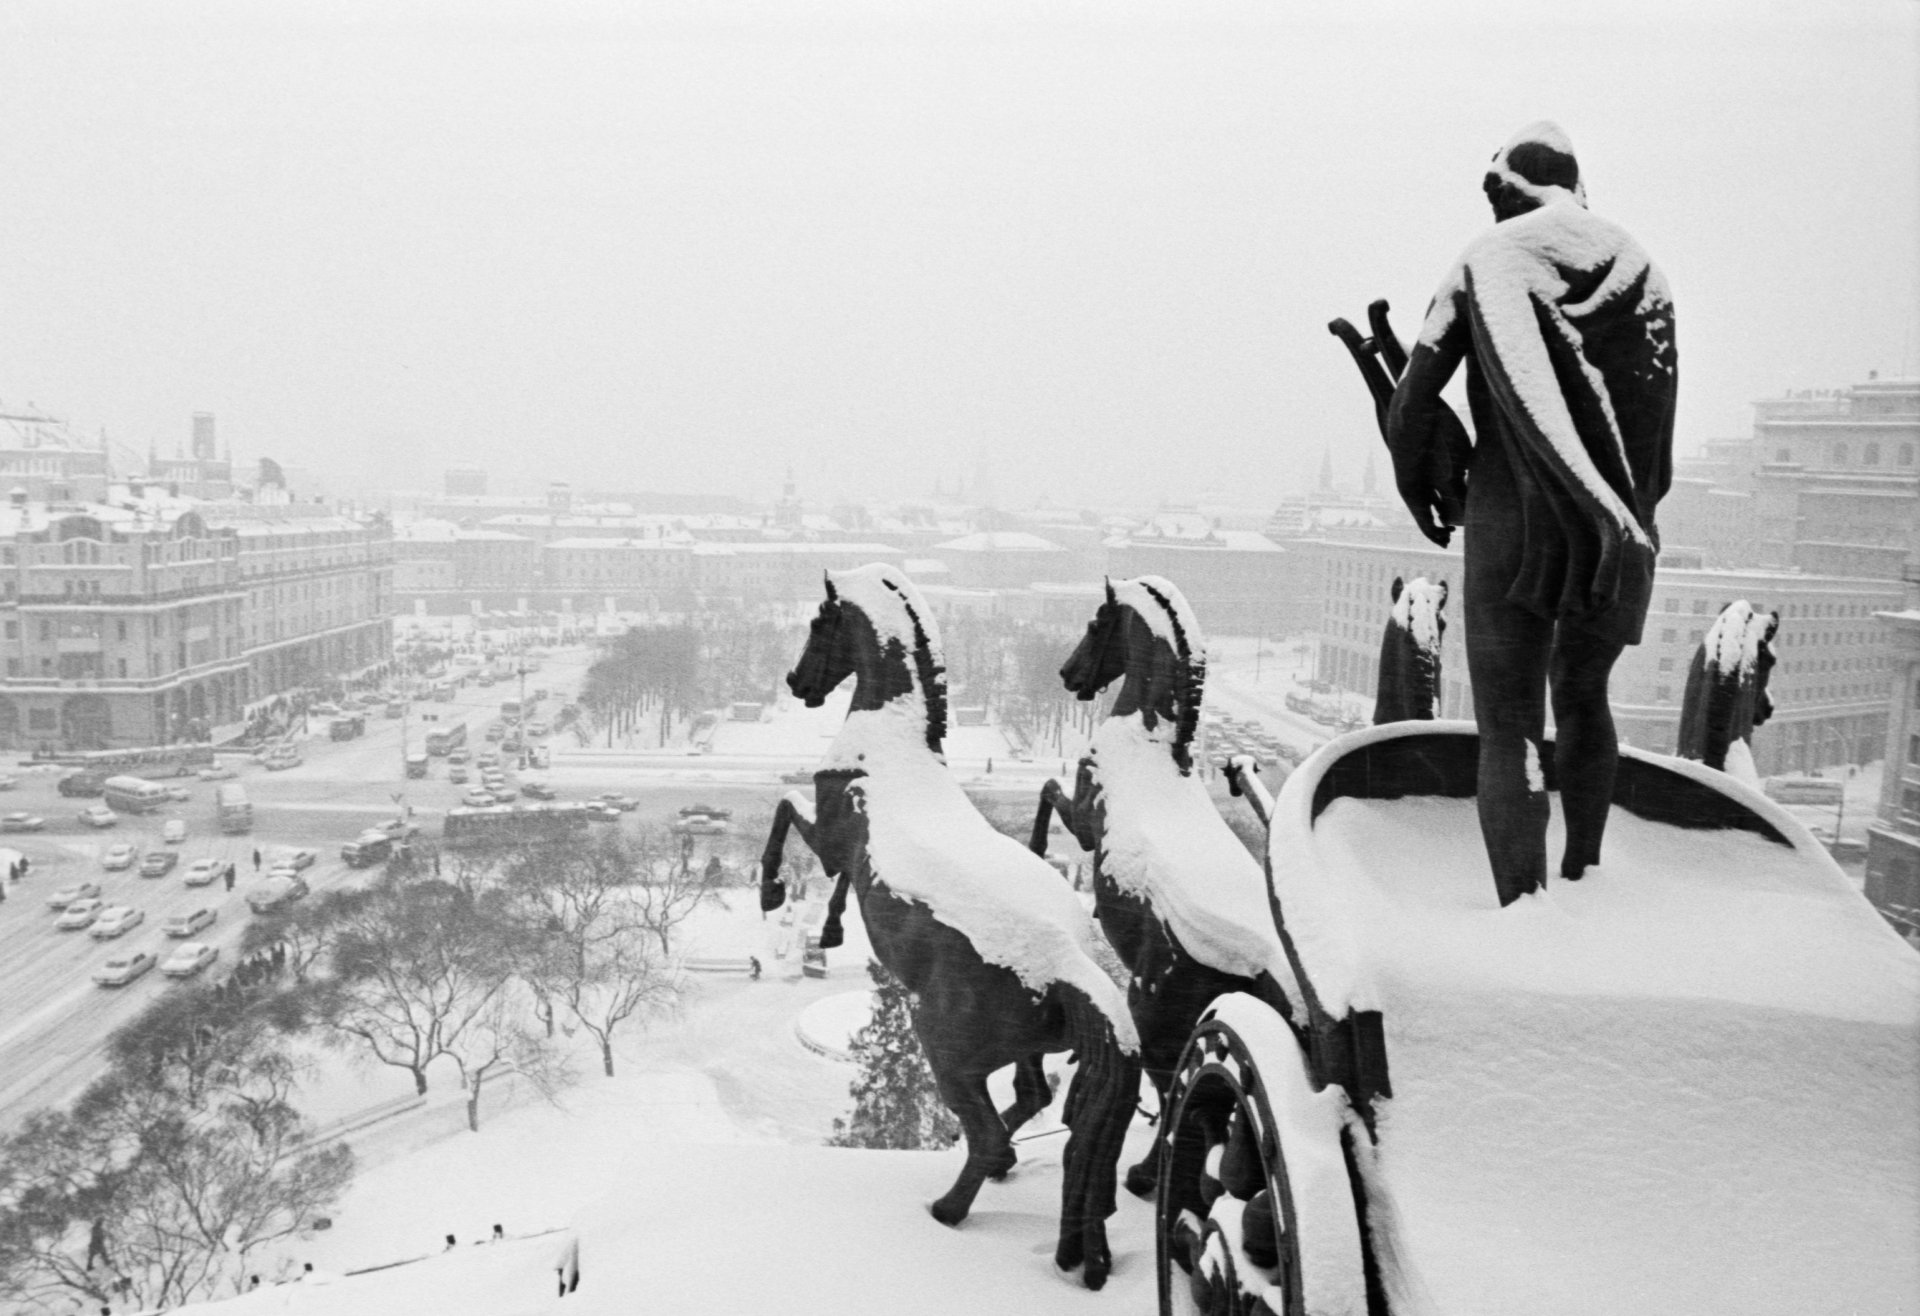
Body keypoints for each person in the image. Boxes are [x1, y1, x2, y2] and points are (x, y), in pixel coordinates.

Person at [1386, 121, 1676, 906]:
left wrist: (1419, 483)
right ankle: (1584, 873)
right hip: (1619, 532)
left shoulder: (1489, 261)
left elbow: (1413, 402)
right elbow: (1658, 445)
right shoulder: (1644, 272)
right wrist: (1625, 519)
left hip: (1511, 524)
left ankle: (1525, 908)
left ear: (1509, 189)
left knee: (1509, 725)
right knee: (1584, 696)